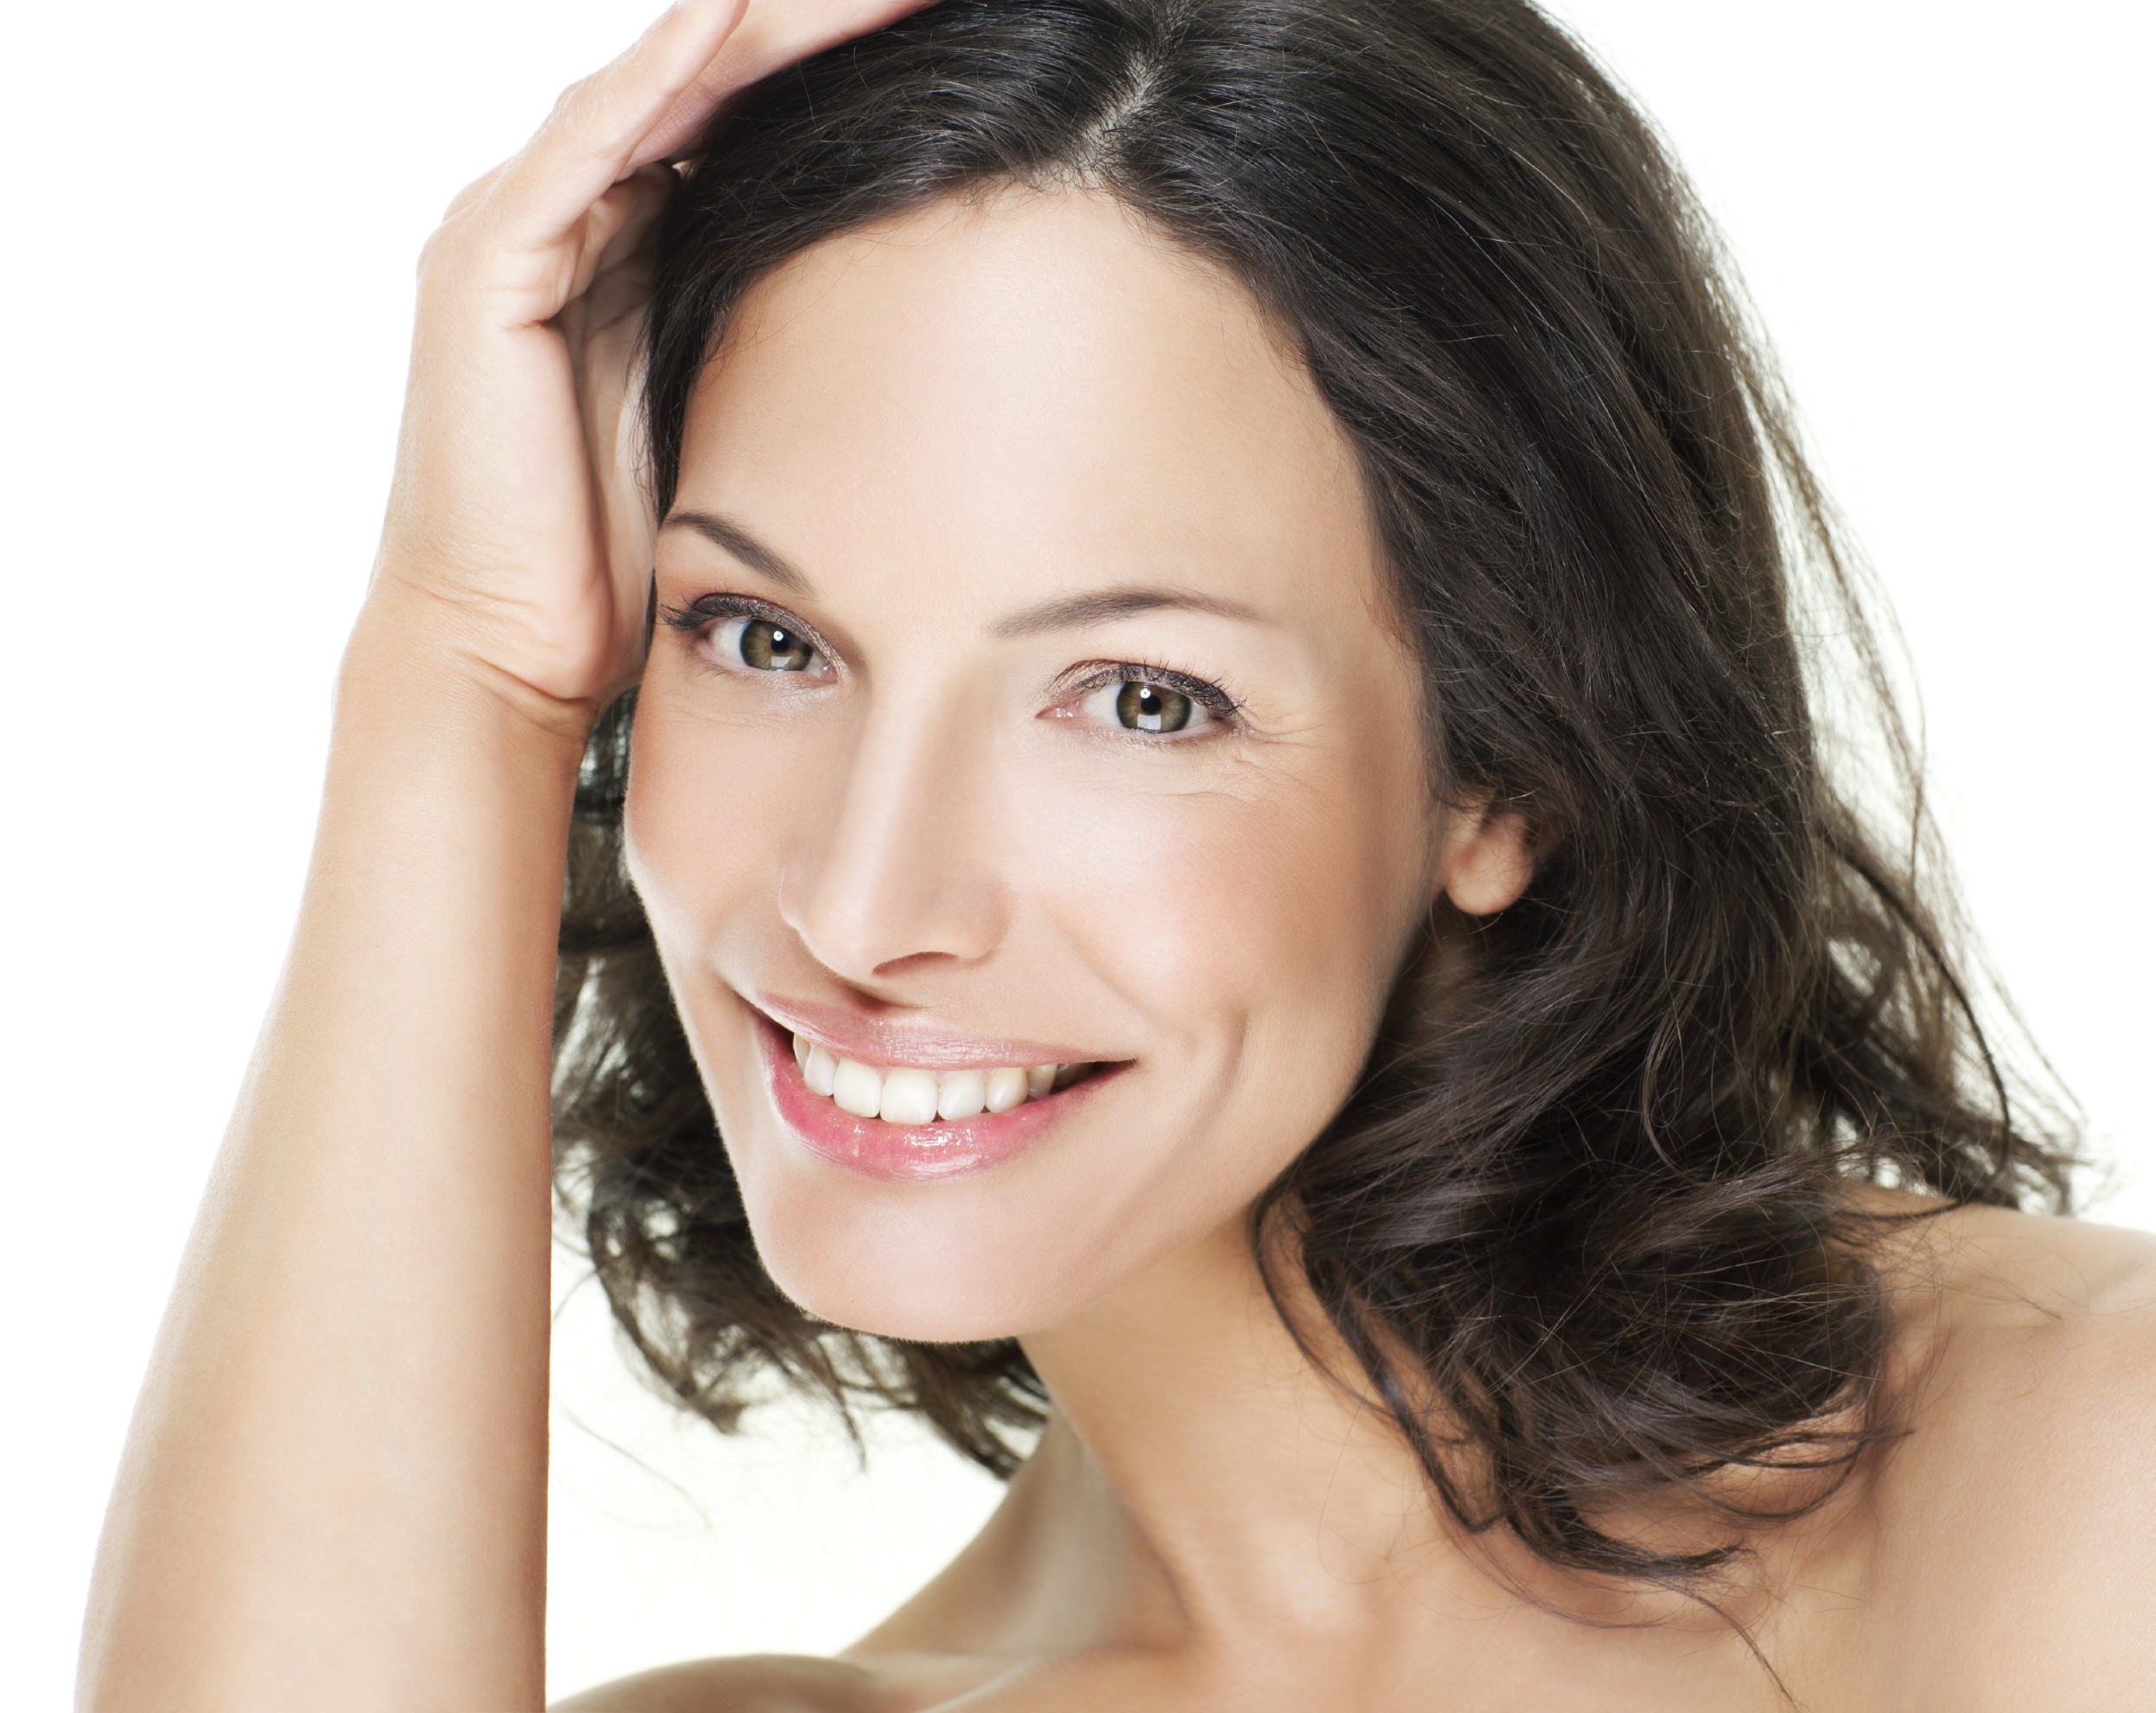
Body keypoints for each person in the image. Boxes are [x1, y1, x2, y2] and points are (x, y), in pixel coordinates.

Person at [77, 0, 2156, 1706]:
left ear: (1508, 769)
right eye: (764, 637)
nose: (862, 905)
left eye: (1140, 698)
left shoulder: (2080, 1473)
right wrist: (457, 677)